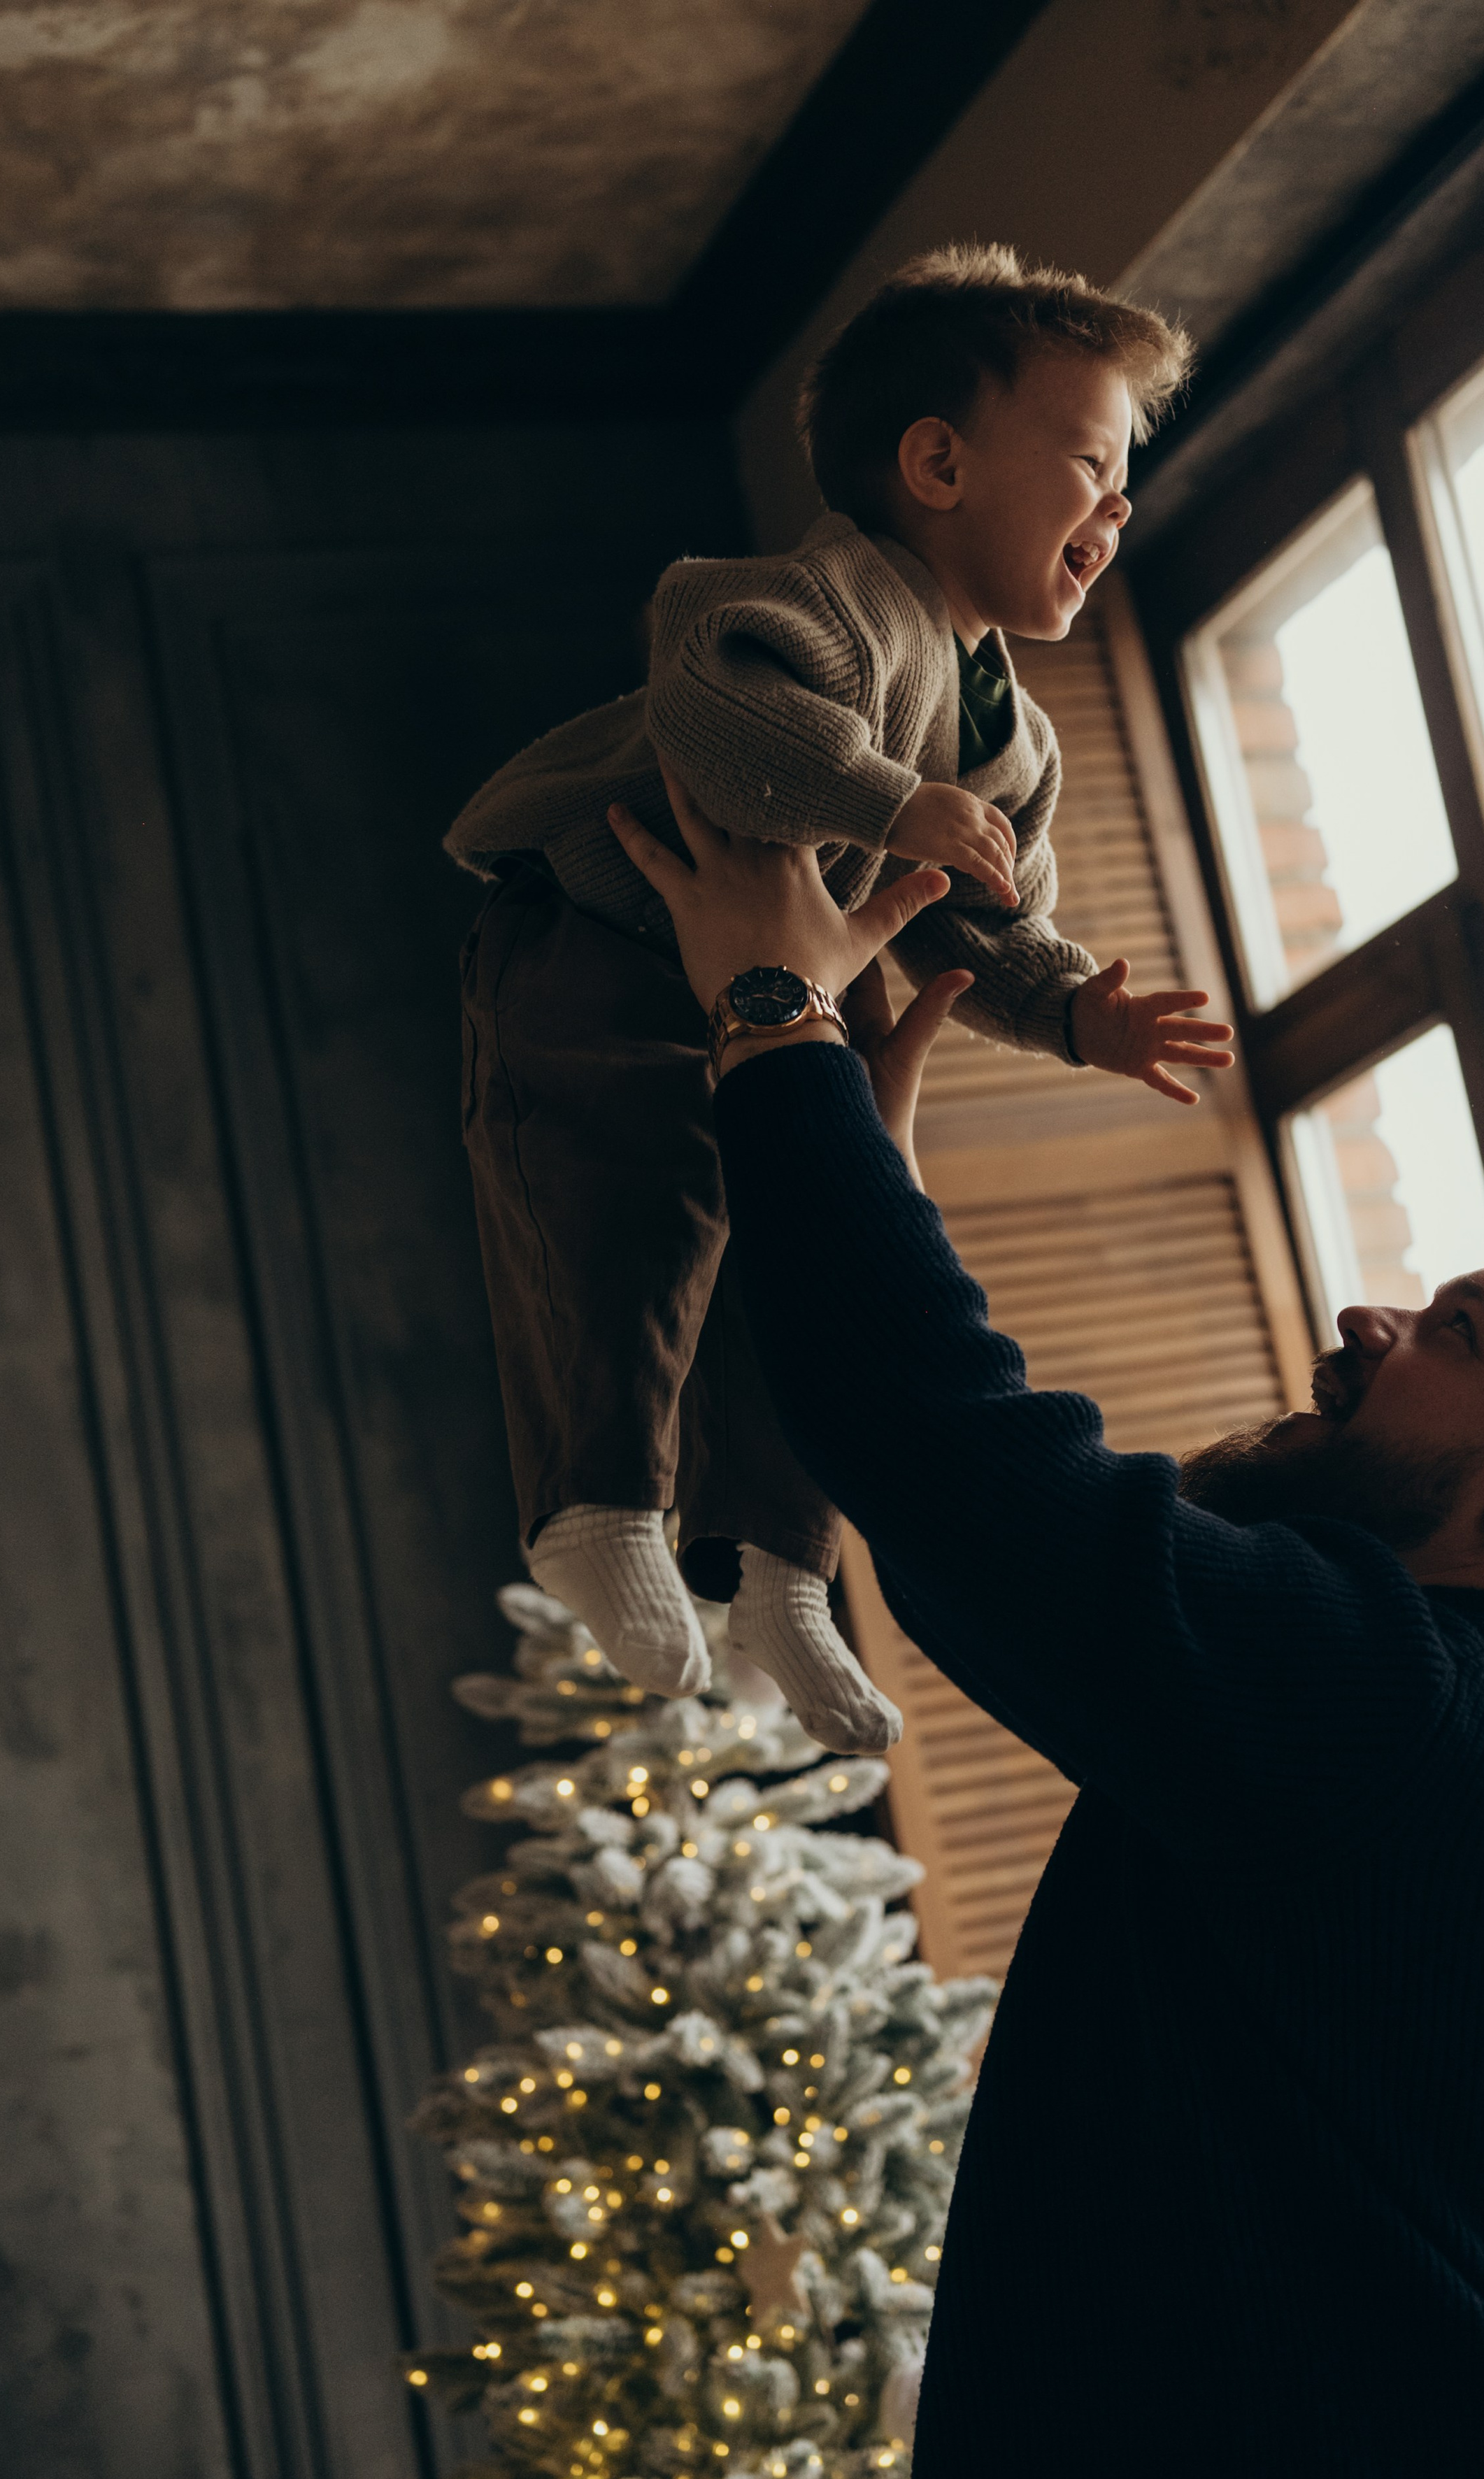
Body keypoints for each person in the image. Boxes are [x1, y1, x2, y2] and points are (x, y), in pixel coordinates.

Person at [601, 773, 1484, 2479]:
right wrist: (849, 1159)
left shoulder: (1404, 1709)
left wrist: (773, 1012)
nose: (1370, 1320)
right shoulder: (1466, 1736)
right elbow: (1022, 1498)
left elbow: (976, 1478)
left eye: (1458, 1329)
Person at [448, 245, 1219, 1755]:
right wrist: (888, 798)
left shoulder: (1016, 737)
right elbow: (718, 704)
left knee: (819, 1256)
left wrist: (1077, 1013)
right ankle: (599, 1503)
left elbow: (985, 923)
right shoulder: (836, 598)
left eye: (1126, 484)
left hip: (784, 998)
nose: (1117, 509)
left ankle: (780, 1567)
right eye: (1089, 465)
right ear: (937, 464)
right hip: (603, 940)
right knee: (627, 1218)